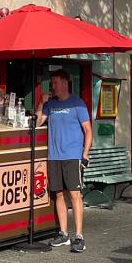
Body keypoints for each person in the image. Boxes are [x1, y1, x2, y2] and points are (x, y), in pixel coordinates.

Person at [36, 69, 92, 253]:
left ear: (65, 83)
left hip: (72, 155)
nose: (52, 86)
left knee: (74, 195)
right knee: (58, 194)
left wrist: (85, 154)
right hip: (54, 155)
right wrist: (41, 102)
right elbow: (37, 123)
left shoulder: (77, 103)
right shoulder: (50, 105)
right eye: (51, 83)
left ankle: (79, 236)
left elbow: (88, 130)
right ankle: (63, 233)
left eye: (55, 83)